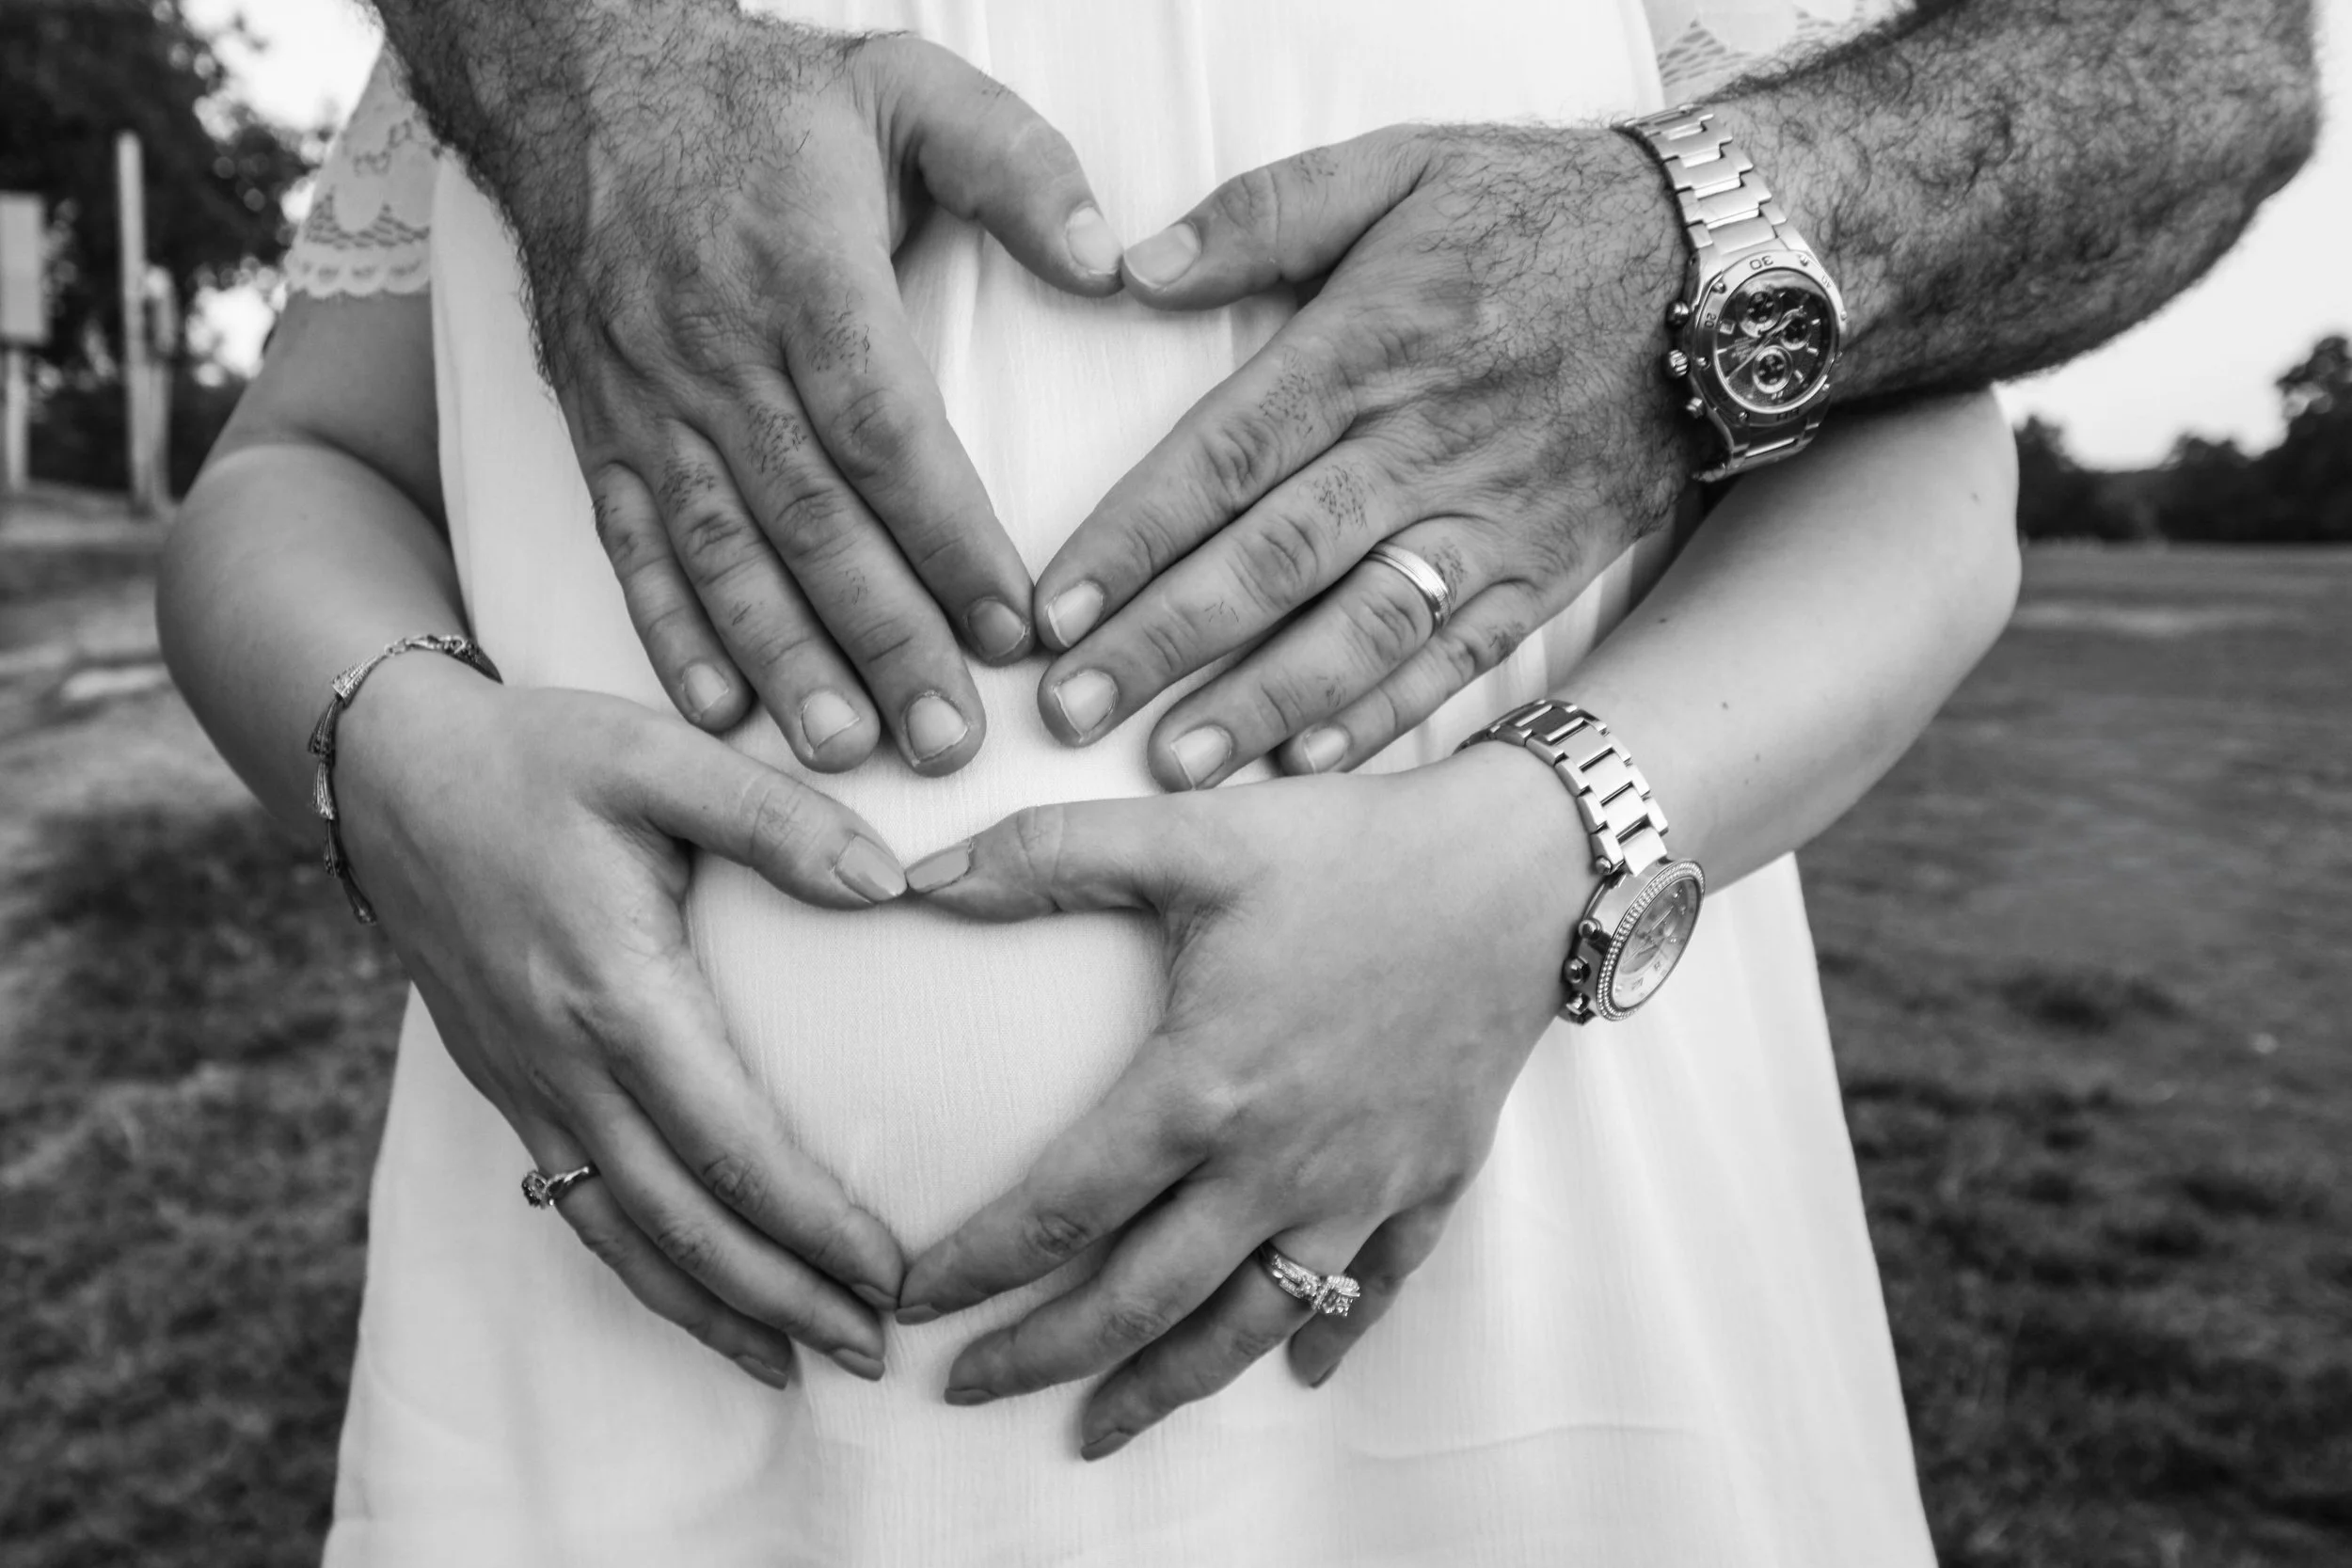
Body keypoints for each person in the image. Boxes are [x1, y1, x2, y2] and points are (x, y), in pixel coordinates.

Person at [152, 3, 2312, 1564]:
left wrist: (1540, 848)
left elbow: (1921, 464)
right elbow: (306, 461)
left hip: (1478, 1322)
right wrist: (397, 761)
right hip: (617, 1349)